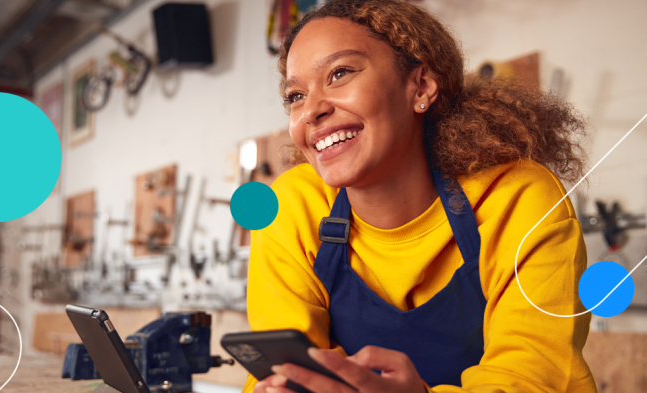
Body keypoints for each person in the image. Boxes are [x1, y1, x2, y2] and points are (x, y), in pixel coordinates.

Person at [243, 1, 597, 392]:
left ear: (421, 87)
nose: (311, 111)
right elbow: (284, 367)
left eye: (340, 73)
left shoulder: (516, 197)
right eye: (295, 96)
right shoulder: (293, 206)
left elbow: (537, 378)